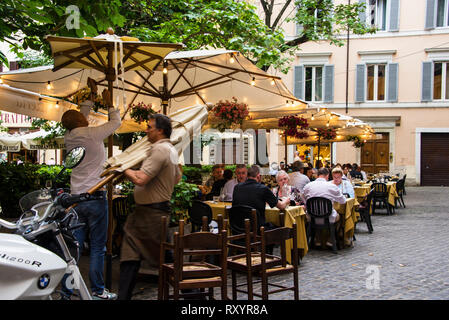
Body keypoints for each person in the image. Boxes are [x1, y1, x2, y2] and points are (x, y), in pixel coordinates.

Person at [60, 86, 121, 300]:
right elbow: (116, 123)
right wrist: (109, 103)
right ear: (80, 122)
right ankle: (97, 290)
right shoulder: (92, 133)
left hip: (76, 199)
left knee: (74, 249)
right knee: (97, 248)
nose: (86, 118)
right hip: (95, 196)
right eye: (83, 116)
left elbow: (78, 118)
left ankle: (67, 292)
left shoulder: (69, 136)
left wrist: (91, 99)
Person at [118, 113, 181, 300]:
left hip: (152, 215)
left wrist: (122, 167)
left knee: (166, 259)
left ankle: (194, 295)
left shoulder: (161, 150)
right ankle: (123, 297)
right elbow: (177, 177)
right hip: (146, 213)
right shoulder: (170, 149)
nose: (146, 130)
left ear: (160, 130)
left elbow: (141, 179)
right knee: (130, 255)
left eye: (150, 127)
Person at [232, 164, 290, 230]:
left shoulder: (237, 187)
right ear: (259, 176)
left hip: (237, 228)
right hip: (257, 230)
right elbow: (281, 206)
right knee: (283, 228)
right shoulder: (263, 189)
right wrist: (286, 201)